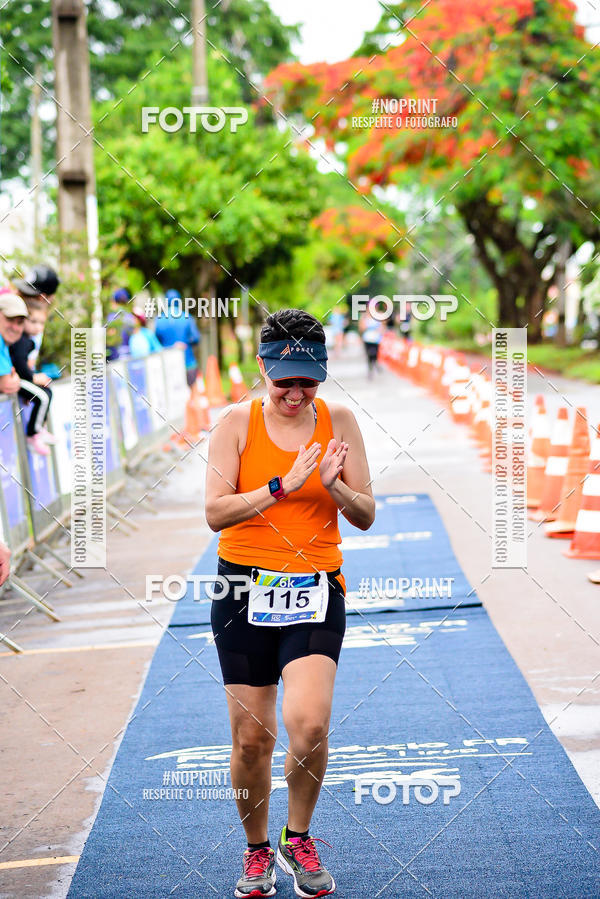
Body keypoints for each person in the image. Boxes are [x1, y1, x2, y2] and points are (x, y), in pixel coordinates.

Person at [205, 308, 375, 898]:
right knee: (252, 739)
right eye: (284, 381)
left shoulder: (341, 420)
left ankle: (297, 837)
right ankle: (255, 851)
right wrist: (280, 486)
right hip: (241, 588)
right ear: (262, 369)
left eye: (308, 381)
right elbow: (214, 513)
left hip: (315, 586)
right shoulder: (234, 422)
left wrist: (335, 487)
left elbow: (366, 515)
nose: (296, 394)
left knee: (310, 725)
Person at [9, 297, 55, 456]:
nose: (38, 327)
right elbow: (21, 365)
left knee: (47, 392)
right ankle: (33, 435)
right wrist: (33, 379)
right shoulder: (21, 341)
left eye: (42, 323)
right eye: (33, 321)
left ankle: (39, 428)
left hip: (23, 377)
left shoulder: (27, 340)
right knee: (42, 396)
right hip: (16, 378)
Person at [11, 264, 60, 369]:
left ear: (44, 298)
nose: (18, 295)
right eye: (22, 292)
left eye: (28, 295)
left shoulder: (36, 325)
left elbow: (29, 364)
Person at [154, 289, 201, 386]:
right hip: (188, 363)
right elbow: (196, 338)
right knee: (192, 395)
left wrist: (171, 346)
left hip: (167, 365)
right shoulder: (187, 317)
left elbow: (156, 342)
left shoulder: (159, 320)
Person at [0, 292, 28, 397]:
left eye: (20, 322)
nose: (15, 328)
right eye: (10, 319)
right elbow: (7, 383)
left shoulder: (5, 343)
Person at [105, 288, 135, 361]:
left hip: (116, 357)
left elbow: (109, 341)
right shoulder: (131, 317)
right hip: (131, 356)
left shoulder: (111, 317)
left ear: (114, 301)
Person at [358, 302, 385, 379]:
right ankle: (370, 370)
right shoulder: (364, 316)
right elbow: (361, 328)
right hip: (367, 339)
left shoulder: (379, 315)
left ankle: (375, 364)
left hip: (376, 339)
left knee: (375, 354)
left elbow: (382, 326)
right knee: (369, 354)